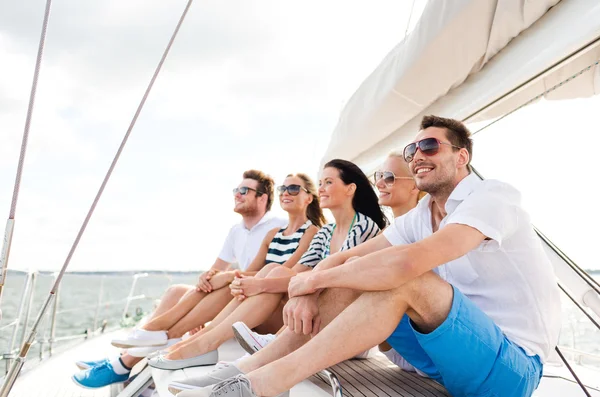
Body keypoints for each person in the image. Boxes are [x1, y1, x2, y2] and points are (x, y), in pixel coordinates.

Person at [175, 115, 561, 397]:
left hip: (510, 369)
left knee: (402, 278)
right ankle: (246, 369)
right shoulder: (421, 216)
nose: (417, 156)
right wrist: (311, 286)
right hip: (443, 359)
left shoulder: (492, 197)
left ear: (462, 157)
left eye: (430, 146)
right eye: (412, 149)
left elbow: (409, 265)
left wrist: (315, 279)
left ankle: (270, 383)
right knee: (360, 270)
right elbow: (346, 258)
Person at [153, 160, 387, 374]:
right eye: (320, 183)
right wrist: (257, 282)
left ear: (350, 188)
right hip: (312, 315)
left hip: (346, 324)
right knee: (274, 270)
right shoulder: (326, 232)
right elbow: (297, 274)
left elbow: (336, 280)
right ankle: (202, 341)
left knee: (270, 275)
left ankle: (199, 342)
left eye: (329, 182)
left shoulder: (363, 227)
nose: (322, 188)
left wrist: (259, 284)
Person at [72, 169, 287, 388]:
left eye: (244, 190)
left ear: (262, 198)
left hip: (259, 305)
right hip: (238, 290)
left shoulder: (278, 226)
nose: (237, 195)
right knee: (176, 291)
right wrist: (207, 277)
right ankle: (132, 352)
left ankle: (127, 360)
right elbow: (215, 270)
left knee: (228, 285)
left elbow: (267, 276)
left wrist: (227, 277)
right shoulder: (236, 231)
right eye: (236, 190)